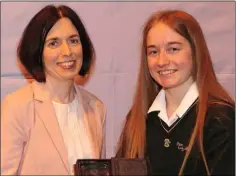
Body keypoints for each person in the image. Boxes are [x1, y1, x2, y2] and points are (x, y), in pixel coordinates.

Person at [116, 10, 235, 175]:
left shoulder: (221, 119)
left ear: (195, 51)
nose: (162, 61)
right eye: (153, 52)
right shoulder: (138, 119)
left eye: (173, 49)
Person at [1, 4, 106, 175]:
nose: (67, 51)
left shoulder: (96, 108)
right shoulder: (17, 106)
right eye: (54, 43)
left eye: (73, 41)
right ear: (38, 51)